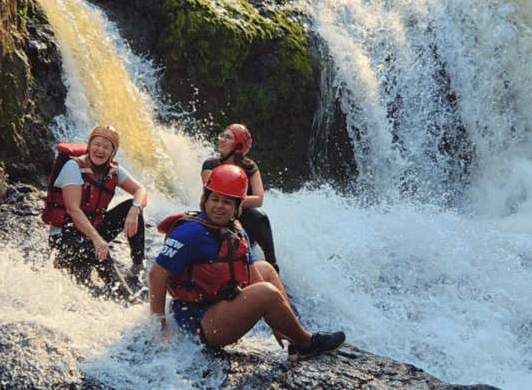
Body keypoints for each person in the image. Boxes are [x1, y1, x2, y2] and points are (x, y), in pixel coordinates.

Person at [149, 165, 345, 360]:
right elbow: (156, 274)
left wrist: (279, 320)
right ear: (205, 200)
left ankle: (290, 333)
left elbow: (254, 277)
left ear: (237, 207)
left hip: (217, 309)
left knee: (266, 269)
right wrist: (161, 328)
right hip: (197, 325)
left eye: (227, 202)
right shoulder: (189, 233)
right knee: (266, 293)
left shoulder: (236, 231)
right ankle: (306, 343)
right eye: (214, 199)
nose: (219, 206)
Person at [45, 125, 149, 299]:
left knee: (131, 205)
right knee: (96, 249)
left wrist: (134, 210)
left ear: (112, 152)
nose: (100, 150)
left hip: (91, 231)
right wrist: (97, 239)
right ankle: (125, 297)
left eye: (106, 147)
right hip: (66, 237)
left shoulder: (112, 170)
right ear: (89, 145)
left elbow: (141, 191)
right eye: (97, 144)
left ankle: (138, 267)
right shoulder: (73, 167)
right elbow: (73, 210)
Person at [201, 123, 279, 271]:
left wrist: (234, 202)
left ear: (238, 146)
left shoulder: (249, 166)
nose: (222, 140)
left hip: (239, 216)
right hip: (216, 216)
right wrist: (230, 202)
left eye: (228, 137)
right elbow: (212, 195)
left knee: (259, 217)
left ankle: (272, 265)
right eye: (222, 136)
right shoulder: (211, 164)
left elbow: (258, 199)